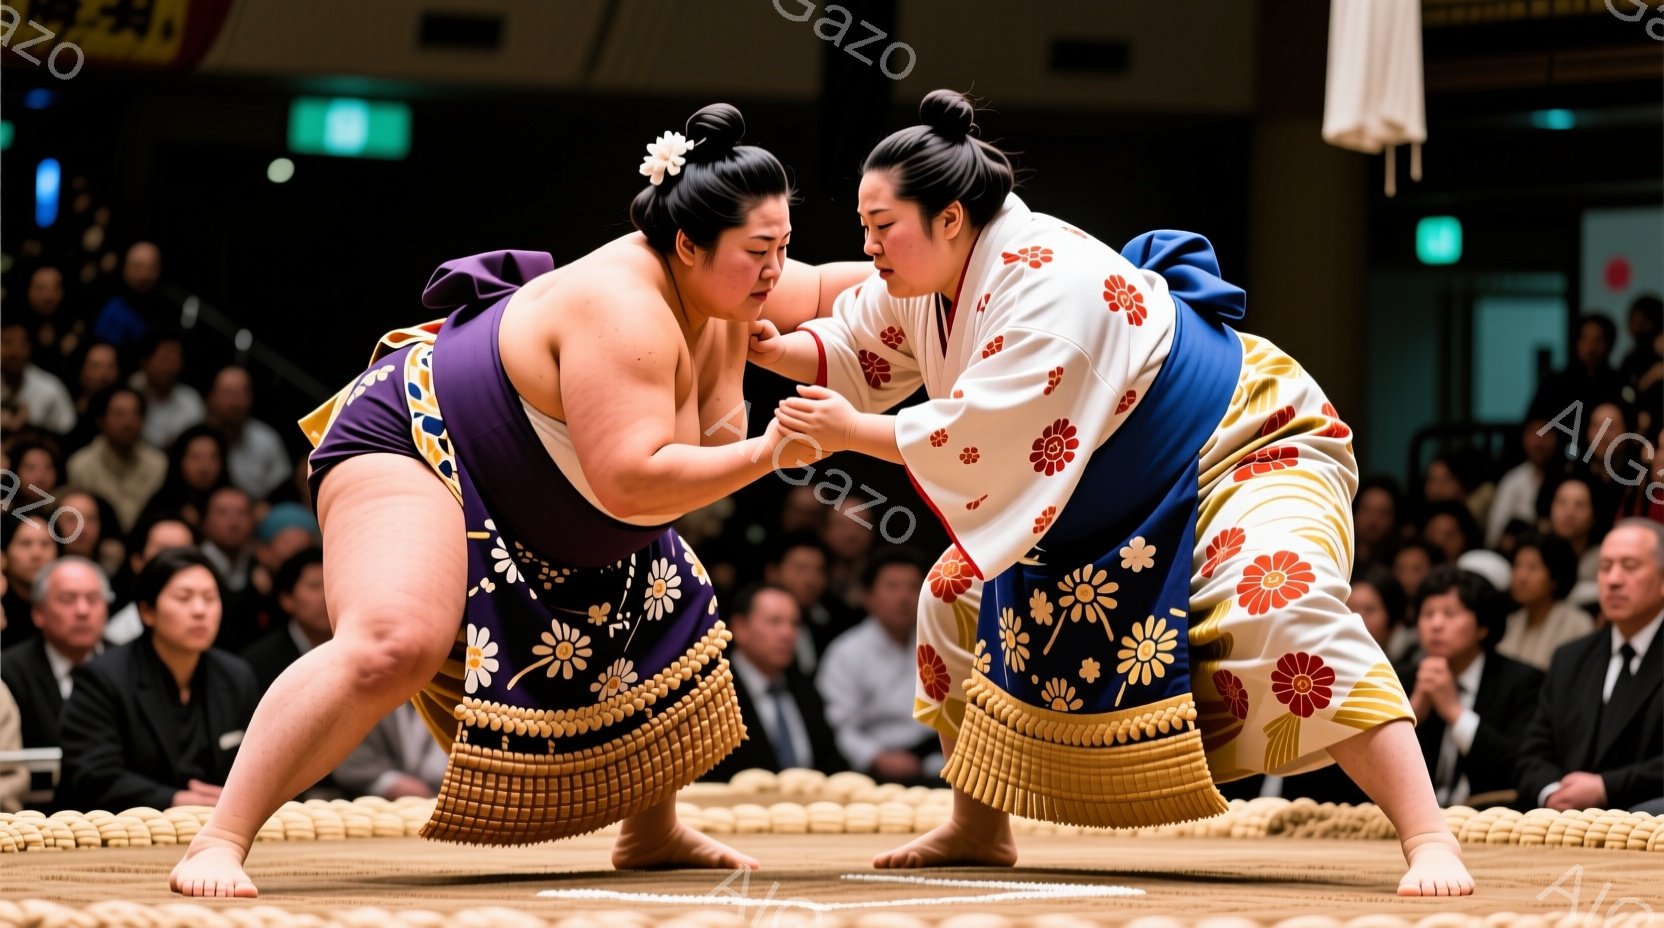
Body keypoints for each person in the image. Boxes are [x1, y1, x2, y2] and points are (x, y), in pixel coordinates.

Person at [750, 89, 1472, 895]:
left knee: (1282, 602)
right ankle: (977, 825)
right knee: (951, 594)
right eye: (865, 228)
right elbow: (857, 338)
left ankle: (1428, 834)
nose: (870, 245)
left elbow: (987, 433)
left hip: (1245, 442)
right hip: (1110, 491)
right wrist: (780, 353)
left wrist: (851, 433)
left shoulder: (1052, 286)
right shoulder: (934, 276)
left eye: (883, 227)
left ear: (950, 217)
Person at [169, 103, 867, 898]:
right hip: (420, 438)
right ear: (687, 244)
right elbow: (633, 483)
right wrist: (773, 452)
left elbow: (838, 293)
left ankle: (651, 829)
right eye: (759, 252)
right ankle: (220, 834)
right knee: (393, 641)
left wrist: (959, 278)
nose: (778, 270)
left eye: (783, 247)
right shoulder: (626, 311)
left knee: (658, 594)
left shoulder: (729, 283)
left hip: (546, 483)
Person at [57, 548, 260, 813]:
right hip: (122, 831)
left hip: (216, 829)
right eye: (184, 598)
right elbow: (94, 776)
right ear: (147, 611)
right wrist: (175, 800)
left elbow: (259, 764)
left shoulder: (236, 676)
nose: (200, 611)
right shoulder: (103, 677)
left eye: (210, 598)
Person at [1516, 519, 1663, 813]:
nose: (1613, 580)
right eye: (1605, 567)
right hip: (1565, 825)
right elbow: (1533, 751)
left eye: (1630, 566)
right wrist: (1551, 791)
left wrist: (1605, 787)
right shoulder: (1570, 658)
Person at [1399, 567, 1542, 806]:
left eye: (1450, 613)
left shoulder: (1523, 682)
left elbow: (1521, 766)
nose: (1435, 624)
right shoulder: (1402, 679)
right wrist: (1412, 716)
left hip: (1493, 820)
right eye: (1427, 613)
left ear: (1483, 626)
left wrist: (1455, 713)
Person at [703, 583, 846, 779]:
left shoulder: (806, 691)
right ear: (740, 628)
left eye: (794, 623)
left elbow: (831, 764)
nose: (787, 634)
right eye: (774, 622)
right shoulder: (709, 694)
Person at [1496, 533, 1591, 671]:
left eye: (1532, 568)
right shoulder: (1511, 621)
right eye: (1517, 566)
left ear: (1554, 577)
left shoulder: (1576, 624)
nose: (1521, 577)